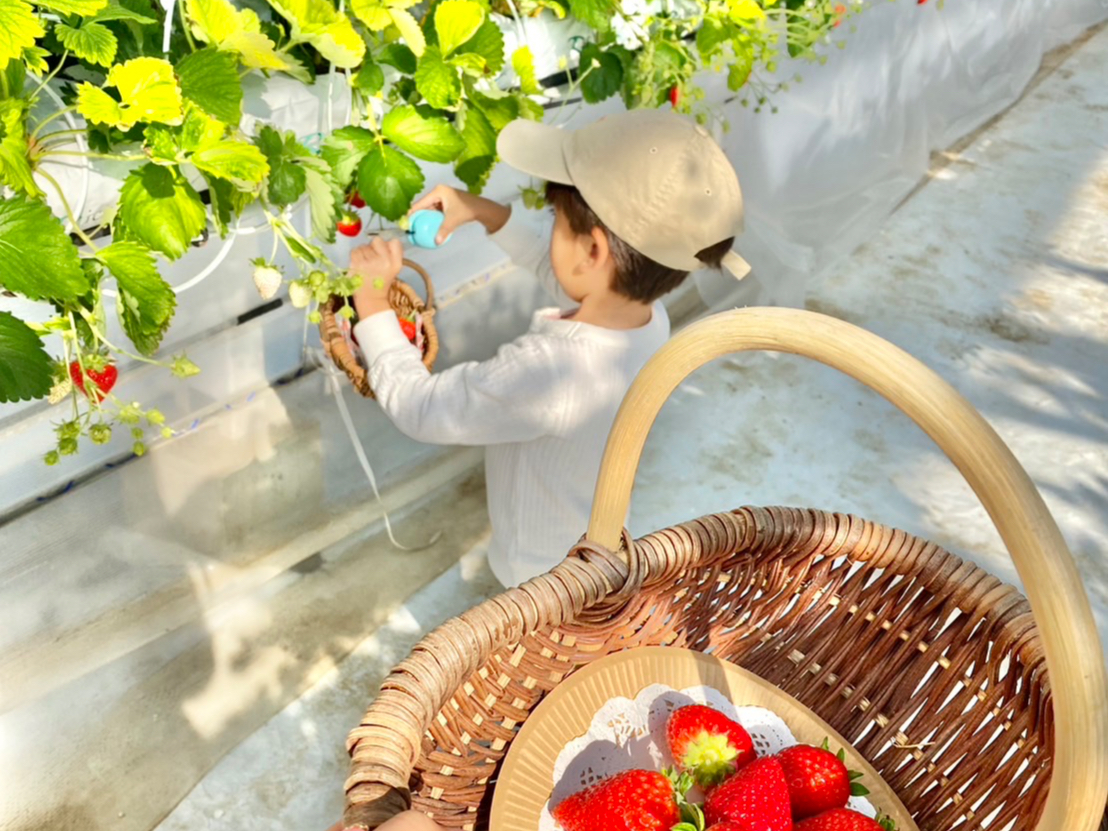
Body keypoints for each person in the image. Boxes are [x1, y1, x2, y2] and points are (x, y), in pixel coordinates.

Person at [348, 109, 750, 588]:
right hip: (588, 552)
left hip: (536, 576)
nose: (550, 227)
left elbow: (423, 408)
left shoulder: (547, 373)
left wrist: (373, 306)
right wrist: (481, 211)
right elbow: (563, 270)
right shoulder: (645, 320)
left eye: (555, 218)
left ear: (594, 251)